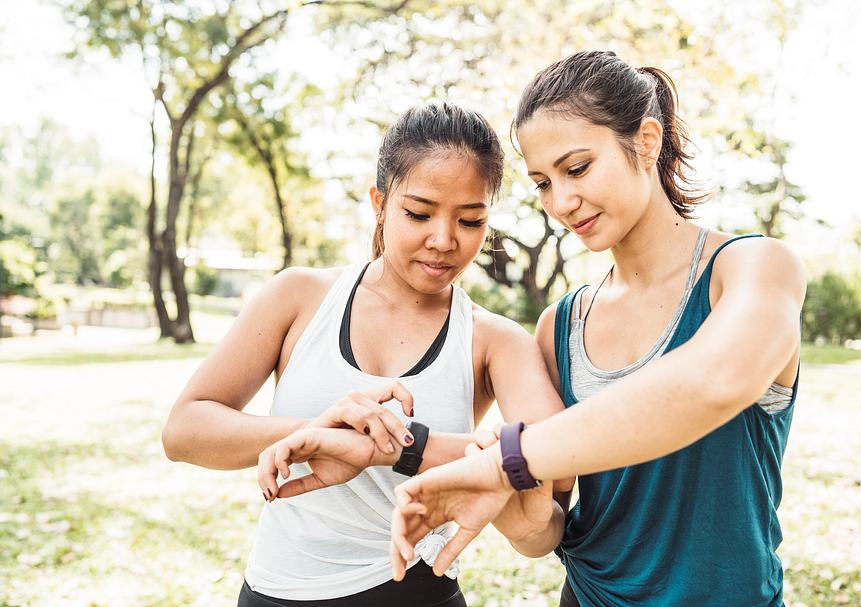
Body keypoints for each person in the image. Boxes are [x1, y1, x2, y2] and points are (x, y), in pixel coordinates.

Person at [390, 50, 807, 607]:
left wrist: (509, 458)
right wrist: (518, 513)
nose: (560, 202)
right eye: (541, 182)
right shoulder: (559, 327)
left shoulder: (754, 268)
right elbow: (549, 529)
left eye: (577, 168)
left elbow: (715, 382)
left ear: (647, 142)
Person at [161, 102, 568, 607]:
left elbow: (555, 463)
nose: (443, 240)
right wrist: (320, 435)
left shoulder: (495, 339)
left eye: (469, 220)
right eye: (418, 213)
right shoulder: (299, 296)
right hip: (274, 591)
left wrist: (402, 446)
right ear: (380, 202)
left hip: (415, 592)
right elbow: (185, 430)